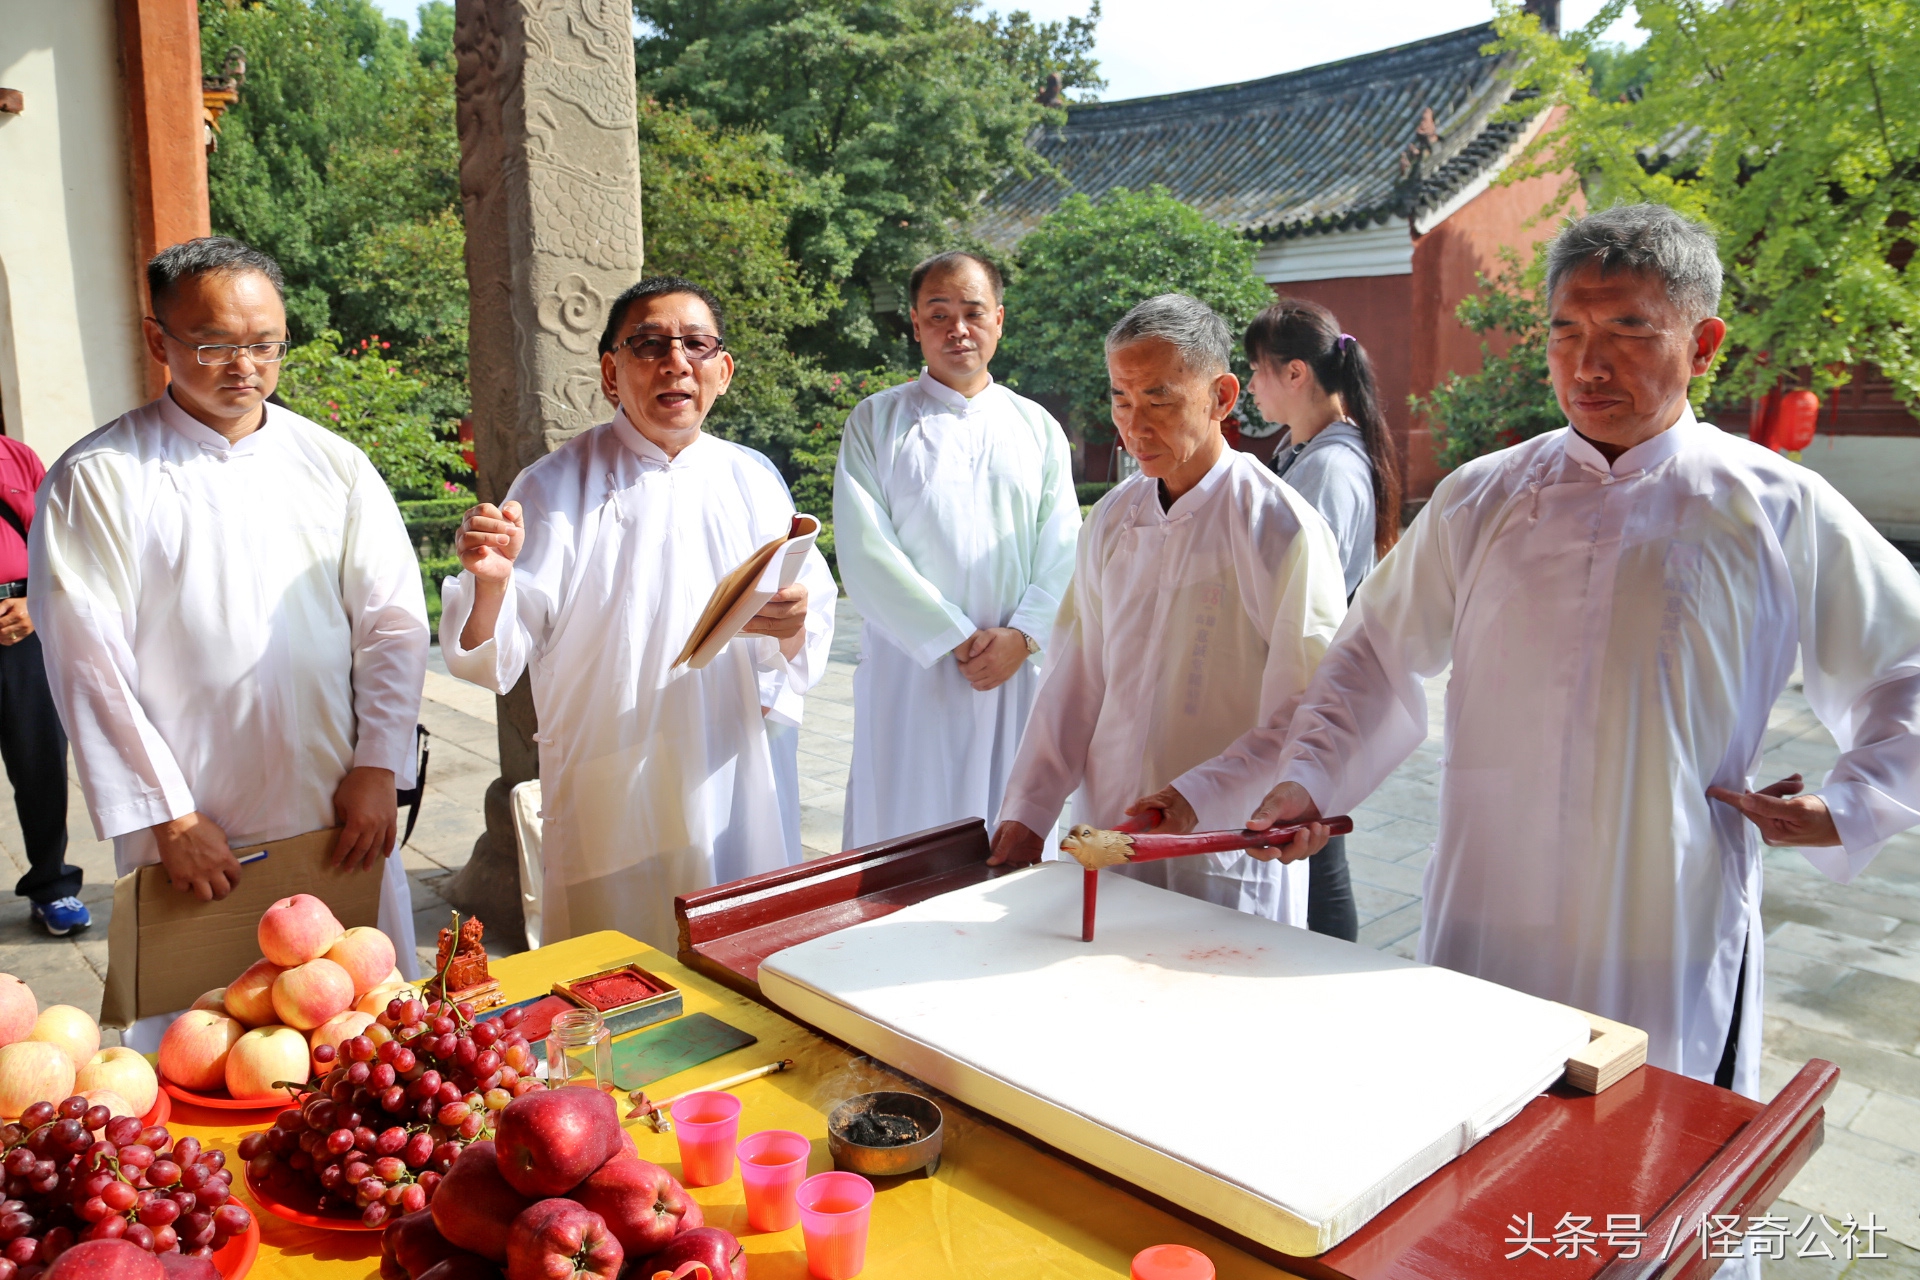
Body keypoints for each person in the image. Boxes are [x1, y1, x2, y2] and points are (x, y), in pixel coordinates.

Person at [1248, 204, 1920, 1099]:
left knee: (1644, 1175)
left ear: (1705, 342)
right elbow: (1375, 652)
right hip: (1491, 899)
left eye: (1630, 330)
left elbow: (1905, 667)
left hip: (1664, 910)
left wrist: (1855, 802)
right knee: (1467, 1136)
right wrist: (1310, 775)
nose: (1589, 362)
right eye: (1568, 331)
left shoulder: (1772, 504)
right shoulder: (1484, 495)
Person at [31, 236, 424, 983]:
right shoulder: (101, 479)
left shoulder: (334, 465)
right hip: (192, 819)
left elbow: (392, 624)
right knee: (208, 1035)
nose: (245, 368)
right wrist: (166, 816)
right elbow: (88, 664)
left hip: (335, 801)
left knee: (358, 1013)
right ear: (158, 339)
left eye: (265, 346)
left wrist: (379, 765)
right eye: (214, 345)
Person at [440, 276, 835, 951]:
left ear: (723, 370)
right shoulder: (554, 487)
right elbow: (490, 658)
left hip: (730, 767)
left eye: (695, 344)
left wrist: (794, 622)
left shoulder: (754, 479)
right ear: (610, 372)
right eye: (649, 344)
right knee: (619, 973)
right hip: (613, 780)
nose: (674, 361)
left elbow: (803, 631)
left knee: (741, 961)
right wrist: (491, 586)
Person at [988, 294, 1347, 924]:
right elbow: (1075, 681)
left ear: (1221, 397)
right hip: (1108, 832)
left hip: (1222, 843)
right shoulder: (1112, 520)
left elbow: (1306, 712)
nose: (1134, 426)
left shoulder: (1282, 529)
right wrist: (1027, 812)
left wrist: (1198, 794)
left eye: (1159, 399)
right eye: (1121, 400)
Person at [834, 251, 1079, 849]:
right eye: (938, 314)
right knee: (906, 834)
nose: (957, 329)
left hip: (1014, 673)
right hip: (913, 673)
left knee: (1008, 833)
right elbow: (866, 551)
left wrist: (1022, 637)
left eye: (973, 312)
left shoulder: (1037, 427)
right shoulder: (876, 422)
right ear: (915, 325)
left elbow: (1066, 546)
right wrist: (951, 636)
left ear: (999, 319)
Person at [1243, 300, 1404, 942]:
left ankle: (1332, 981)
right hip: (1310, 692)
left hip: (1312, 691)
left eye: (1256, 370)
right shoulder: (1310, 455)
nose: (1251, 385)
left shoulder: (1332, 469)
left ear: (1296, 374)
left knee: (1319, 862)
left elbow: (1305, 597)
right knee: (1314, 855)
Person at [0, 437, 86, 935]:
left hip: (23, 627)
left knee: (42, 766)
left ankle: (53, 886)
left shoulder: (17, 456)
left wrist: (37, 603)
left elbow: (57, 541)